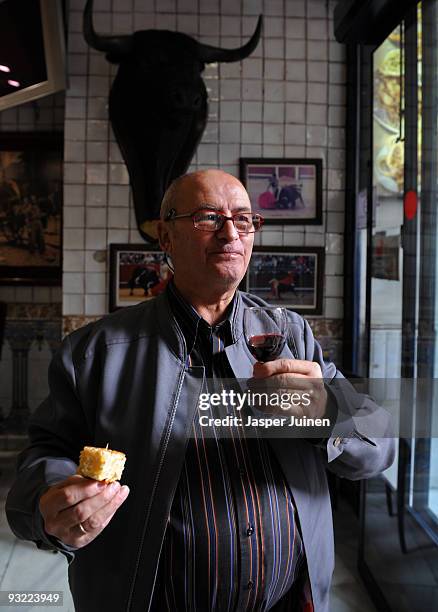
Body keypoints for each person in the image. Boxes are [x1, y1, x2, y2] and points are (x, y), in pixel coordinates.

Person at [6, 170, 395, 612]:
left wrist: (327, 414)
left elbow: (379, 446)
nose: (230, 232)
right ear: (166, 237)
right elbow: (40, 464)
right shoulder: (94, 353)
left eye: (244, 219)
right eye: (209, 217)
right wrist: (54, 500)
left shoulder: (291, 335)